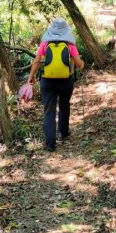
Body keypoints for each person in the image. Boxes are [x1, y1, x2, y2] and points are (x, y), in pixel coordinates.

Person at [27, 18, 84, 152]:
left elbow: (36, 62)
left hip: (47, 82)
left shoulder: (45, 43)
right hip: (66, 81)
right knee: (64, 105)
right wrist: (82, 65)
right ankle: (63, 132)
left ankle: (50, 144)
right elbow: (78, 63)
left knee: (49, 112)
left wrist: (31, 77)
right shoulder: (70, 45)